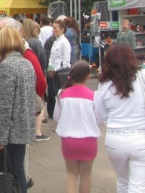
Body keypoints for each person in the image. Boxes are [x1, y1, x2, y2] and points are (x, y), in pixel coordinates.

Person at [95, 43, 145, 193]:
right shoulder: (143, 76)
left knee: (122, 181)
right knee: (138, 185)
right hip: (141, 139)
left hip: (114, 140)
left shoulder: (104, 85)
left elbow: (103, 115)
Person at [0, 26, 36, 193]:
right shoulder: (27, 64)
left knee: (2, 175)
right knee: (18, 171)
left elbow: (4, 105)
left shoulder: (7, 66)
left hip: (7, 133)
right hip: (21, 130)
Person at [54, 60, 102, 193]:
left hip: (69, 140)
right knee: (86, 175)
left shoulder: (61, 94)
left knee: (71, 174)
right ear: (88, 76)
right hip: (89, 140)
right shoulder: (93, 96)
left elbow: (57, 117)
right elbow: (99, 120)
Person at [47, 19, 71, 118]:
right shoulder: (55, 41)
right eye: (53, 28)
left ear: (62, 29)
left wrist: (56, 71)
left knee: (61, 95)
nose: (53, 30)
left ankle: (64, 116)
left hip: (61, 74)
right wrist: (50, 69)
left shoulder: (65, 42)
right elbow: (51, 58)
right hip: (53, 73)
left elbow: (66, 60)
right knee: (55, 95)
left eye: (55, 28)